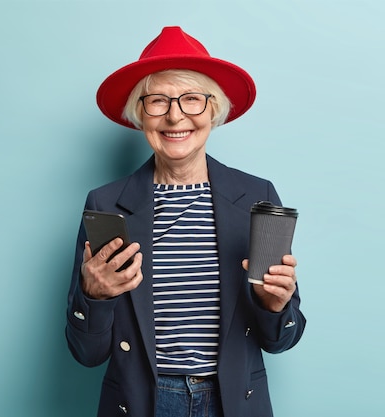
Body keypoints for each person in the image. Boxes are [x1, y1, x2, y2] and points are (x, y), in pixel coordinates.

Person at [66, 26, 306, 417]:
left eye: (191, 99)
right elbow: (87, 354)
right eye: (157, 101)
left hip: (232, 402)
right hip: (143, 402)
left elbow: (281, 340)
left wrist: (275, 304)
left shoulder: (257, 197)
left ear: (213, 110)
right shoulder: (106, 204)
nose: (175, 115)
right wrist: (93, 296)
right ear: (139, 115)